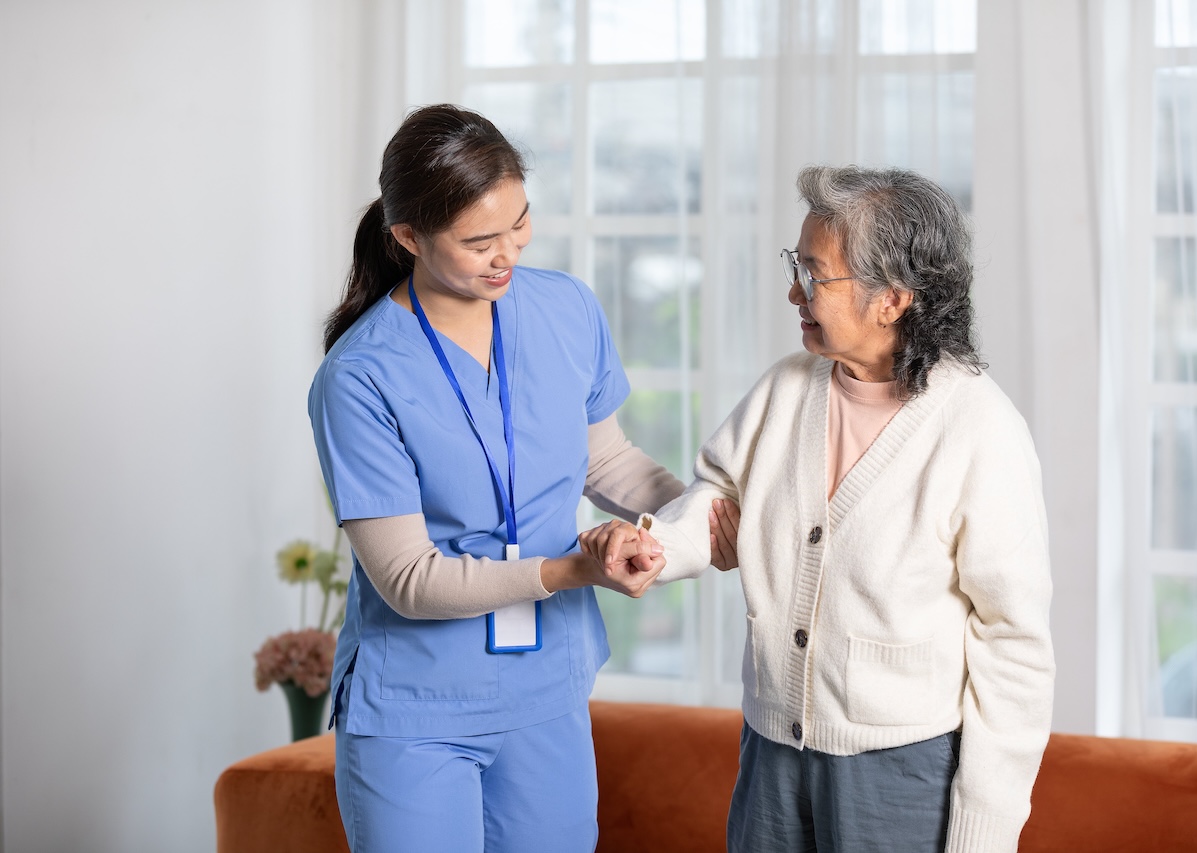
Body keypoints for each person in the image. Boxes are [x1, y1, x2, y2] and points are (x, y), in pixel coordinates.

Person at [580, 165, 1056, 853]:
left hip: (900, 769)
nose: (794, 291)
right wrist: (659, 547)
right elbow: (715, 496)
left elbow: (1014, 645)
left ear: (892, 297)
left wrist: (985, 833)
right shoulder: (786, 388)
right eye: (795, 264)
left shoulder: (979, 427)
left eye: (815, 273)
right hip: (773, 752)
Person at [308, 103, 737, 853]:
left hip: (547, 691)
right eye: (479, 241)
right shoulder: (359, 376)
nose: (508, 253)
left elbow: (608, 461)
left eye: (520, 223)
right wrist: (574, 568)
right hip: (417, 707)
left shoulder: (565, 308)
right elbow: (407, 577)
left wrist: (700, 518)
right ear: (407, 237)